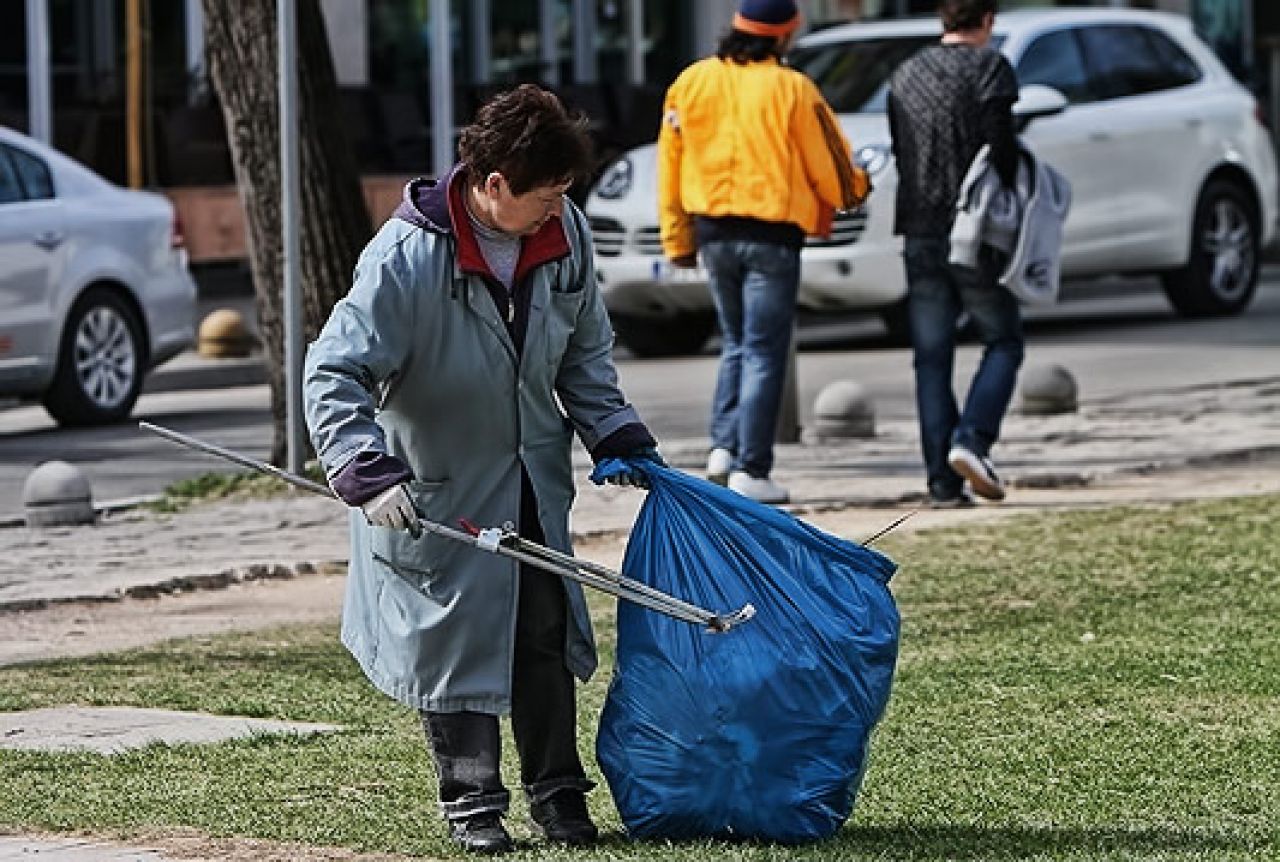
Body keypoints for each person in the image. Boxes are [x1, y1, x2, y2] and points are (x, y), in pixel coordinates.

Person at [303, 85, 659, 855]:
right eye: (545, 193)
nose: (557, 207)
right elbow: (333, 371)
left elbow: (585, 349)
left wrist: (614, 432)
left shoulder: (563, 233)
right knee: (455, 642)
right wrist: (365, 469)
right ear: (493, 184)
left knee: (543, 633)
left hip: (533, 481)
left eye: (566, 192)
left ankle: (561, 798)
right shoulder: (403, 258)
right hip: (435, 495)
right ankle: (472, 804)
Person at [657, 0, 868, 505]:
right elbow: (831, 165)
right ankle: (752, 468)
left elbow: (671, 166)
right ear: (784, 36)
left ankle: (722, 449)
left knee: (736, 343)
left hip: (712, 231)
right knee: (763, 351)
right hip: (771, 235)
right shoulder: (792, 87)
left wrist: (677, 239)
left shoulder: (691, 82)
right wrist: (854, 191)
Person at [887, 0, 1023, 507]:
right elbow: (1002, 150)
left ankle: (941, 482)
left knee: (931, 358)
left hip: (919, 228)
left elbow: (902, 151)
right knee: (1004, 339)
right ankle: (972, 439)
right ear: (986, 20)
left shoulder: (905, 73)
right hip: (974, 230)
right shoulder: (991, 67)